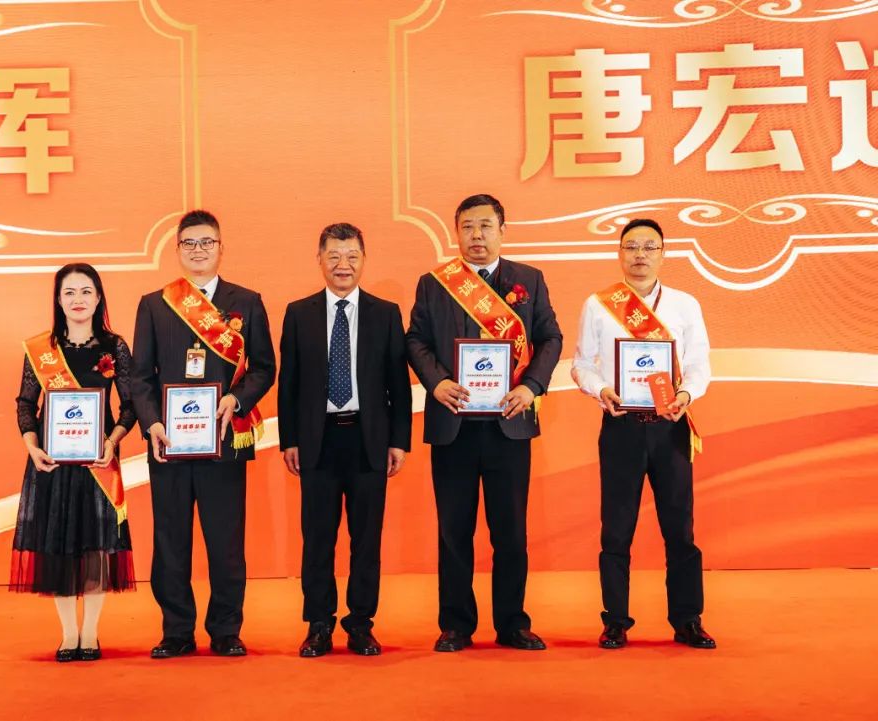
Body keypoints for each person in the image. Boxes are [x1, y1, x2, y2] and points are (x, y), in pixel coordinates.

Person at [406, 193, 562, 652]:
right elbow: (415, 340)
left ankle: (512, 623)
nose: (477, 235)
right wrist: (436, 382)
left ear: (502, 231)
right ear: (457, 233)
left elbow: (550, 338)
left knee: (510, 530)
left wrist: (531, 387)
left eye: (485, 226)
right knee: (454, 530)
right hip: (453, 423)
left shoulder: (528, 280)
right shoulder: (434, 284)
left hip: (508, 424)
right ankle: (456, 624)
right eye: (468, 227)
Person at [131, 209, 276, 658]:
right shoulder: (154, 304)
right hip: (168, 444)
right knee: (170, 541)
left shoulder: (246, 301)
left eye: (206, 242)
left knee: (226, 542)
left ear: (220, 248)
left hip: (224, 441)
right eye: (189, 243)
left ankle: (226, 630)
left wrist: (237, 399)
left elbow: (264, 368)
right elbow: (140, 377)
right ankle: (176, 631)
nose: (198, 250)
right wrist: (153, 423)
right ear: (177, 250)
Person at [571, 218, 716, 650]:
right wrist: (601, 389)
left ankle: (688, 620)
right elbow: (581, 363)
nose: (640, 255)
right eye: (631, 246)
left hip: (671, 426)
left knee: (680, 528)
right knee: (616, 530)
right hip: (622, 426)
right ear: (619, 252)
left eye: (649, 247)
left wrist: (686, 393)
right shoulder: (599, 305)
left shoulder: (685, 305)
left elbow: (700, 363)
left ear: (663, 253)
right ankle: (615, 620)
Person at [278, 222, 413, 658]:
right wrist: (289, 439)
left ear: (364, 260)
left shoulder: (385, 313)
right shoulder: (298, 314)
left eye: (352, 256)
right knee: (317, 539)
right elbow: (288, 384)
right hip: (317, 442)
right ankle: (319, 624)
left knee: (366, 540)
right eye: (334, 256)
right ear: (319, 260)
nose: (343, 265)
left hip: (368, 440)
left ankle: (360, 624)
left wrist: (399, 441)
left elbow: (398, 384)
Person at [10, 263, 137, 663]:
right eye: (69, 292)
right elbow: (26, 404)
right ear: (58, 300)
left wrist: (113, 442)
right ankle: (68, 634)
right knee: (59, 546)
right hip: (53, 464)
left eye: (86, 291)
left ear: (98, 298)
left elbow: (131, 404)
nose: (78, 299)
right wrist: (33, 447)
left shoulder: (114, 347)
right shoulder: (41, 349)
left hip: (98, 463)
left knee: (97, 547)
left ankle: (91, 633)